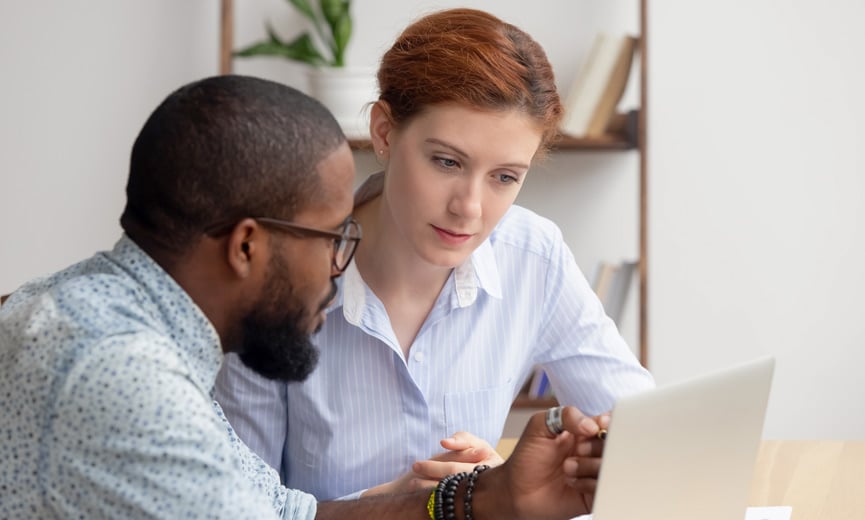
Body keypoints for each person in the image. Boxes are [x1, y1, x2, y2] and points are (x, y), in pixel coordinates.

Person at [0, 74, 608, 520]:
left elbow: (285, 514)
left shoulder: (116, 323)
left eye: (505, 176)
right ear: (245, 247)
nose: (341, 265)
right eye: (331, 237)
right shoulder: (121, 374)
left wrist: (484, 498)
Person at [215, 7, 655, 501]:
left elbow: (645, 438)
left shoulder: (534, 256)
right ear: (384, 133)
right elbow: (234, 505)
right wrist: (438, 507)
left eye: (505, 177)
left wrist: (500, 491)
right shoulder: (277, 278)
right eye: (447, 161)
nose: (468, 208)